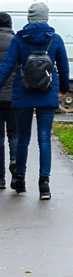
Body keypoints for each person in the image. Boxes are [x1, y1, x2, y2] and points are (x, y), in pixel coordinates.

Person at [0, 2, 70, 199]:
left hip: (23, 93)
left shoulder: (19, 40)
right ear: (46, 18)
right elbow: (64, 68)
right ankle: (44, 184)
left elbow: (6, 67)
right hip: (48, 93)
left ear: (29, 18)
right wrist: (63, 88)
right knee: (44, 138)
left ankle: (20, 179)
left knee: (23, 139)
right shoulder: (55, 40)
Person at [0, 13, 13, 189]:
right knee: (15, 136)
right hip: (13, 98)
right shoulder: (16, 41)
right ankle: (17, 176)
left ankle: (0, 179)